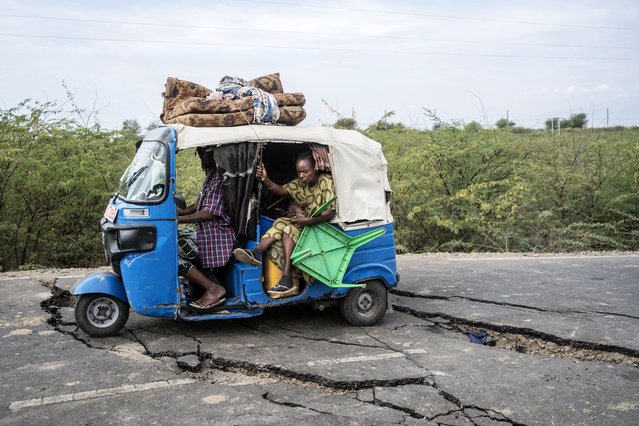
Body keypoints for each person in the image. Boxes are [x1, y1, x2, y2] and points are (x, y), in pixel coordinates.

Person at [233, 152, 335, 296]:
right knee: (281, 221)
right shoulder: (300, 183)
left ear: (315, 168)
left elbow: (330, 213)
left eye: (305, 172)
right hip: (305, 223)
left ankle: (286, 277)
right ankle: (256, 252)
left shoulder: (326, 181)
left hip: (320, 227)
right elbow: (282, 190)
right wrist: (266, 179)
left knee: (289, 229)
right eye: (299, 172)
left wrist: (308, 221)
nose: (301, 176)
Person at [177, 147, 235, 309]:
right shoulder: (211, 175)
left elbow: (209, 213)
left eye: (205, 152)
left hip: (218, 238)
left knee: (169, 253)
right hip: (206, 234)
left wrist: (178, 220)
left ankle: (214, 289)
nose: (201, 155)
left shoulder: (220, 178)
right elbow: (198, 204)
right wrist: (179, 212)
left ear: (215, 153)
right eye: (199, 152)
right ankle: (205, 285)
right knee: (174, 240)